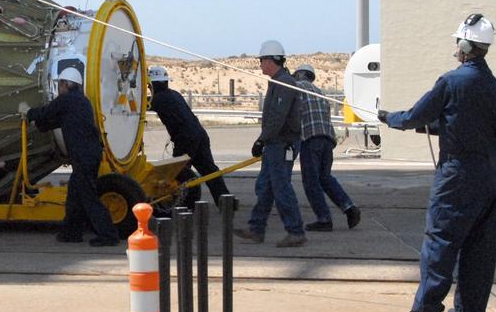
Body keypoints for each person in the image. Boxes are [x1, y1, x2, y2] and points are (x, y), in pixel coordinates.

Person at [377, 13, 496, 312]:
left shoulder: (452, 80)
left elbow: (414, 116)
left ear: (464, 44)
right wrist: (435, 127)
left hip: (458, 174)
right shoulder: (490, 83)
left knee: (441, 239)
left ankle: (427, 309)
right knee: (479, 243)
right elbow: (466, 122)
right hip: (490, 174)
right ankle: (470, 309)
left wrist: (389, 118)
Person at [24, 66, 119, 247]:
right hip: (89, 155)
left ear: (65, 84)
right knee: (75, 195)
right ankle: (71, 232)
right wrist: (40, 125)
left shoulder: (66, 99)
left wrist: (28, 113)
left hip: (83, 157)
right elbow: (57, 120)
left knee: (88, 196)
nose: (59, 89)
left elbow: (46, 112)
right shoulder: (81, 101)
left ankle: (108, 235)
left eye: (60, 84)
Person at [234, 40, 306, 248]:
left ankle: (296, 231)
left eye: (262, 60)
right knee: (265, 186)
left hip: (282, 144)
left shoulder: (283, 83)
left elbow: (277, 116)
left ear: (270, 60)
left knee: (281, 187)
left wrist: (261, 139)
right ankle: (256, 229)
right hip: (275, 143)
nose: (260, 65)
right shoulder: (278, 81)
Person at [147, 65, 230, 206]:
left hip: (185, 138)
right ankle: (226, 202)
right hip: (200, 134)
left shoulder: (158, 99)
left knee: (178, 174)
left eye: (149, 86)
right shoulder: (174, 94)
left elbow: (140, 104)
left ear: (152, 84)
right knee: (210, 171)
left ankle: (182, 205)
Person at [292, 64, 360, 231]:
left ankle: (324, 219)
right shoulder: (320, 93)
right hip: (327, 140)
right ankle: (349, 207)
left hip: (310, 139)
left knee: (311, 181)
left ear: (300, 74)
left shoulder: (295, 87)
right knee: (325, 177)